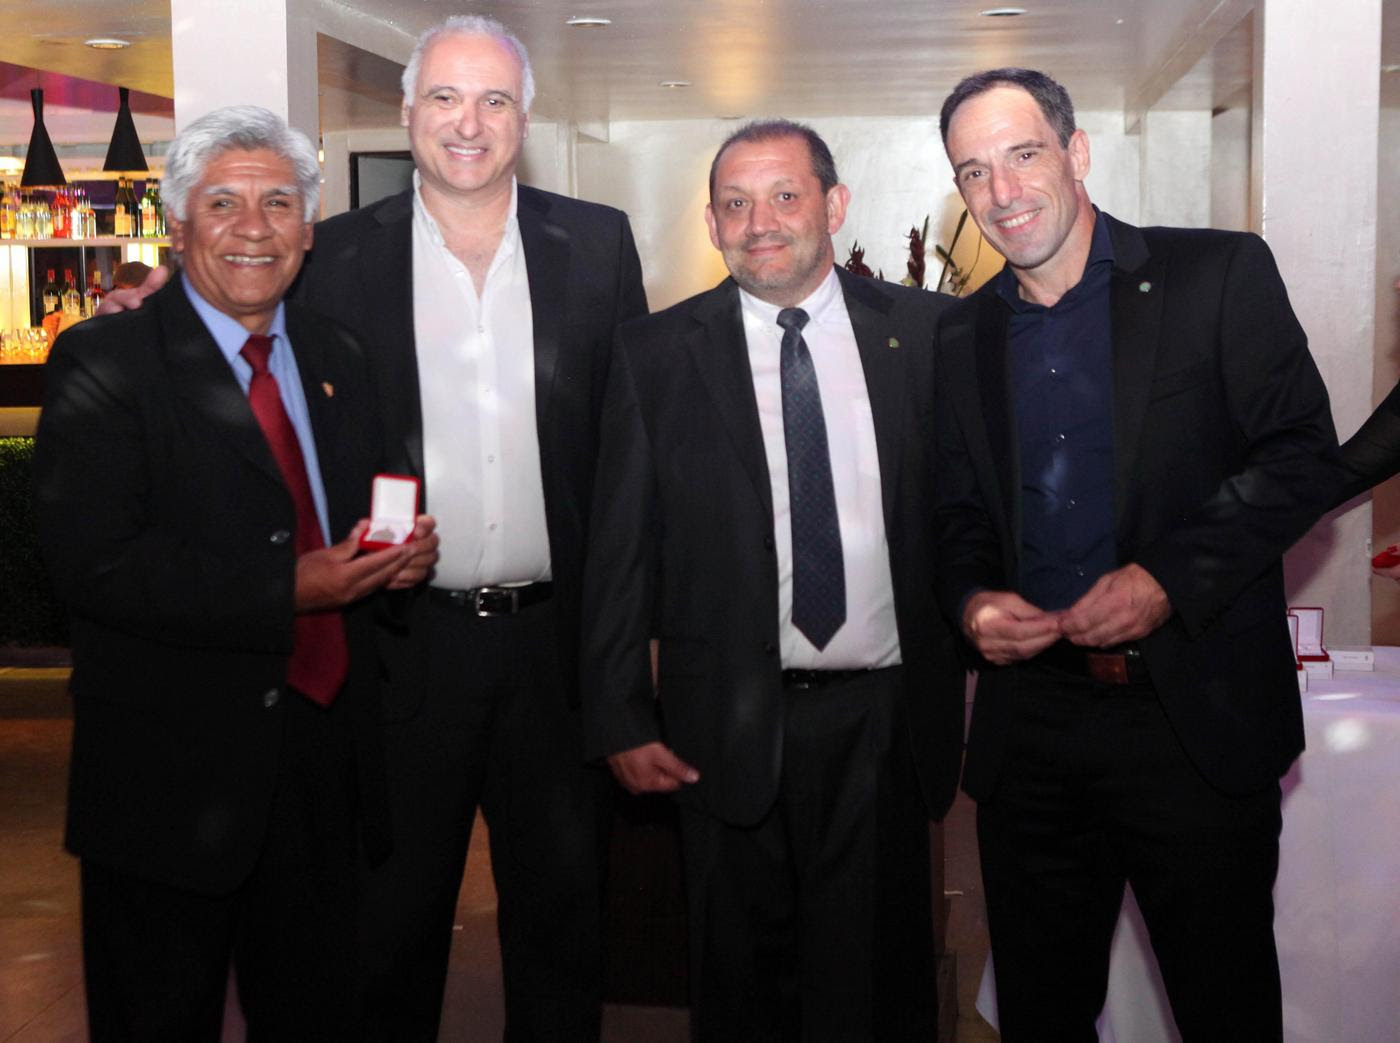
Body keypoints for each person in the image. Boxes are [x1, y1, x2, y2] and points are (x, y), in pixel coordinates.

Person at [103, 17, 647, 1037]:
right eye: (444, 97)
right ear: (406, 113)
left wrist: (630, 648)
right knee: (385, 938)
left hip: (555, 656)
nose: (468, 123)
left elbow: (630, 451)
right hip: (398, 654)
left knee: (563, 934)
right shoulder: (336, 251)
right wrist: (156, 300)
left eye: (493, 100)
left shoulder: (597, 244)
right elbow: (236, 301)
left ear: (524, 120)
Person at [932, 68, 1339, 1039]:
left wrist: (1168, 578)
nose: (1001, 191)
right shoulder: (960, 333)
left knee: (1224, 1008)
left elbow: (1299, 456)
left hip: (1189, 720)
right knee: (1040, 1014)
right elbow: (954, 512)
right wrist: (971, 600)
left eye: (1022, 155)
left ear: (1075, 152)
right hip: (1031, 733)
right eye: (974, 171)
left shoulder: (1216, 274)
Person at [34, 105, 437, 1040]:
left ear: (309, 227)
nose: (254, 228)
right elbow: (96, 564)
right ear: (178, 226)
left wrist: (397, 560)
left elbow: (362, 511)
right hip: (169, 787)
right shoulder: (104, 361)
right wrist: (291, 589)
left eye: (279, 203)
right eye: (223, 203)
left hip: (324, 777)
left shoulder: (339, 356)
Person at [582, 119, 964, 1041]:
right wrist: (620, 712)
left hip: (884, 719)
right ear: (711, 223)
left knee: (878, 988)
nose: (760, 222)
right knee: (741, 989)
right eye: (736, 203)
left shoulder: (927, 334)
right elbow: (619, 547)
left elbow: (967, 511)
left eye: (785, 196)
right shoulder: (654, 354)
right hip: (724, 719)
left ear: (834, 205)